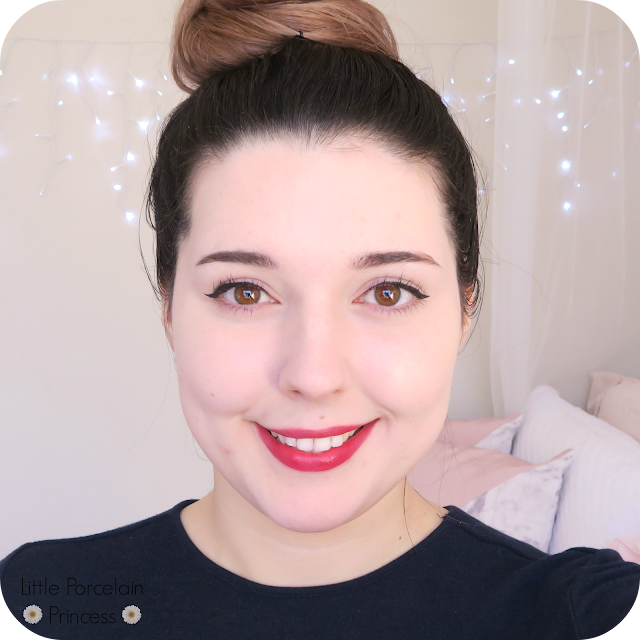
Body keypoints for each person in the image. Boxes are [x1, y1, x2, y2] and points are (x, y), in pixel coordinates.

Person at [1, 1, 639, 637]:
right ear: (169, 308)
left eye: (387, 292)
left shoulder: (576, 614)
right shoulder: (42, 603)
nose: (313, 375)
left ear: (464, 309)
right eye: (245, 292)